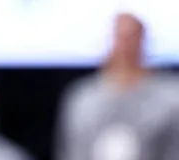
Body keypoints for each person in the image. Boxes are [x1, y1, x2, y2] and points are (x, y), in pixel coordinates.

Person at [56, 13, 179, 160]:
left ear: (143, 40)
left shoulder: (171, 97)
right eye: (120, 37)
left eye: (131, 37)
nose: (125, 45)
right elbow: (71, 151)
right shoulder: (83, 98)